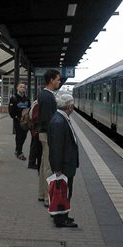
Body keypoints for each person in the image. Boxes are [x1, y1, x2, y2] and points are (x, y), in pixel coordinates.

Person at [48, 93, 79, 228]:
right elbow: (56, 147)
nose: (73, 107)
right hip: (64, 165)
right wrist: (58, 169)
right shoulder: (59, 121)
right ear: (69, 106)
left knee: (64, 192)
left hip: (66, 164)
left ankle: (62, 215)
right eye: (72, 105)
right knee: (63, 192)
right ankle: (60, 219)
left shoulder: (61, 118)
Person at [37, 69, 61, 206]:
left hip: (44, 133)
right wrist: (54, 136)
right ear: (51, 80)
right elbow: (48, 119)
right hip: (47, 135)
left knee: (43, 165)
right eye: (58, 79)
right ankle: (47, 197)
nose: (59, 82)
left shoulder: (46, 95)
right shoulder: (47, 96)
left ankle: (41, 193)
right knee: (48, 166)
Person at [8, 83, 31, 160]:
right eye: (21, 87)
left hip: (25, 121)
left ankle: (18, 149)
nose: (22, 88)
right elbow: (11, 110)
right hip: (18, 120)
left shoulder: (27, 99)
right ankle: (19, 152)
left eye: (24, 87)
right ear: (17, 88)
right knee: (19, 135)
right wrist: (15, 117)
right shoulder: (13, 98)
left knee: (24, 136)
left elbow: (29, 108)